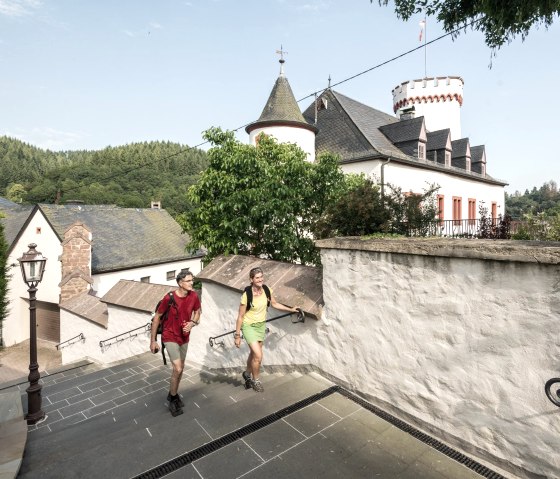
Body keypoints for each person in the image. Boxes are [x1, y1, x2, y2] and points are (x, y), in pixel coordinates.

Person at [234, 267, 299, 393]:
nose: (260, 279)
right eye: (257, 277)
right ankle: (255, 380)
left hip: (261, 326)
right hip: (249, 326)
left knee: (253, 354)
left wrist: (291, 309)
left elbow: (274, 304)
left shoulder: (267, 290)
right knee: (258, 355)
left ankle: (247, 374)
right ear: (251, 279)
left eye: (261, 277)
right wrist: (237, 335)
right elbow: (240, 316)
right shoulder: (247, 295)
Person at [150, 270, 201, 416]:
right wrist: (153, 341)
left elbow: (198, 312)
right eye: (189, 281)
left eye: (192, 280)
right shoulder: (169, 298)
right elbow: (157, 317)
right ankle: (172, 399)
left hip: (184, 337)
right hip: (169, 335)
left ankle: (174, 393)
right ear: (180, 283)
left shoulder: (194, 296)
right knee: (177, 368)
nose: (192, 283)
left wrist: (192, 323)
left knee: (181, 368)